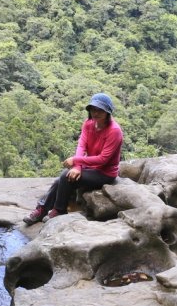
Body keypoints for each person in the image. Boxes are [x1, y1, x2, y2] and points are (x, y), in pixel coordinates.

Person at [23, 92, 123, 224]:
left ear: (108, 112)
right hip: (90, 167)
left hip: (105, 173)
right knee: (60, 180)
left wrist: (76, 161)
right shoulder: (88, 124)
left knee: (65, 176)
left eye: (100, 110)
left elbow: (103, 159)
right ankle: (41, 210)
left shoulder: (114, 131)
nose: (96, 113)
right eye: (93, 109)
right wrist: (77, 167)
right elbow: (82, 146)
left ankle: (59, 210)